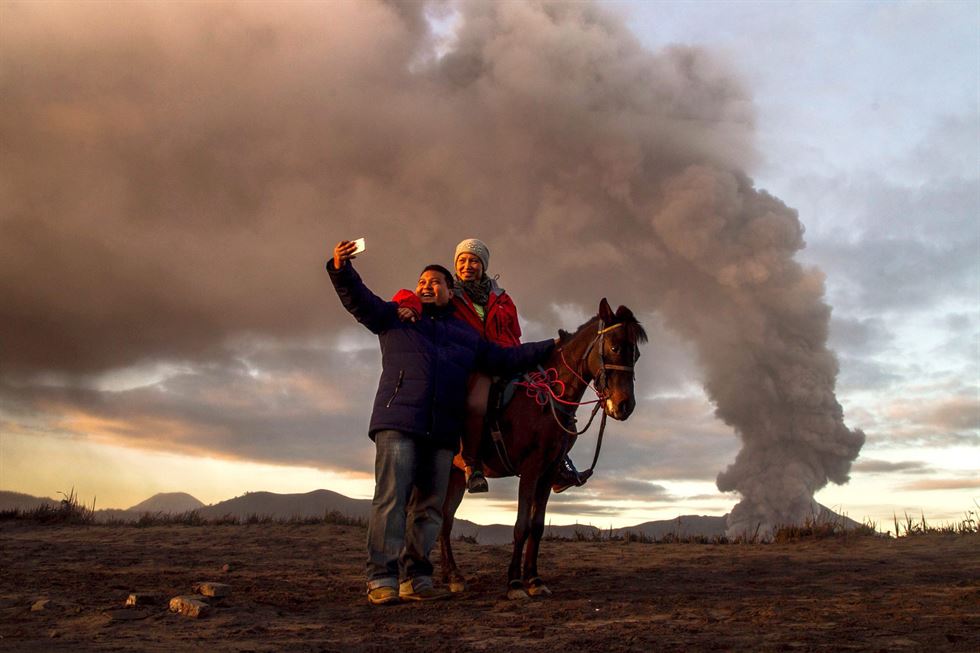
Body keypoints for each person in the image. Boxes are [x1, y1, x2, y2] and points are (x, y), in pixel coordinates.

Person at [328, 239, 556, 605]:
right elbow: (358, 300)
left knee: (430, 506)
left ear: (451, 292)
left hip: (443, 429)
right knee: (391, 500)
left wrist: (553, 346)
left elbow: (503, 356)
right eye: (422, 282)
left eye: (436, 282)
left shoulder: (465, 335)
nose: (427, 287)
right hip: (399, 421)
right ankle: (382, 577)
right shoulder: (395, 318)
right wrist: (341, 268)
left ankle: (416, 577)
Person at [393, 238, 587, 494]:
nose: (467, 265)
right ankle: (472, 464)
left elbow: (514, 332)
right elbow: (415, 296)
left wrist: (526, 357)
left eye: (473, 260)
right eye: (462, 260)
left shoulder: (502, 298)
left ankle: (556, 462)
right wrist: (407, 305)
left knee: (547, 393)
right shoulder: (450, 292)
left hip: (507, 357)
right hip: (475, 360)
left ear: (483, 265)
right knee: (477, 401)